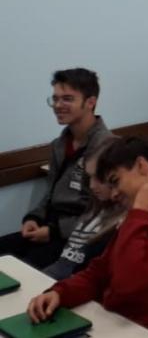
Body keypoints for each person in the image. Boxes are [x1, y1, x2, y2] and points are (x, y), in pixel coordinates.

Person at [26, 137, 148, 338]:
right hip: (109, 321)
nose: (113, 194)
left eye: (115, 181)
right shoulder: (142, 219)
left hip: (138, 331)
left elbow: (127, 284)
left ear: (142, 166)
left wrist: (139, 212)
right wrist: (60, 293)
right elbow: (100, 272)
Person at [0, 69, 113, 270]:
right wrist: (34, 217)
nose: (58, 105)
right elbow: (50, 194)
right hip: (49, 227)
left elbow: (104, 215)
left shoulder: (109, 148)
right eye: (55, 99)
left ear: (90, 102)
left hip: (77, 237)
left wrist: (54, 231)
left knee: (23, 272)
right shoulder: (59, 145)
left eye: (67, 99)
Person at [44, 138, 126, 280]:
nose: (92, 186)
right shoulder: (96, 207)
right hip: (55, 277)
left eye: (98, 178)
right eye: (89, 178)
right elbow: (62, 263)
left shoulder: (120, 225)